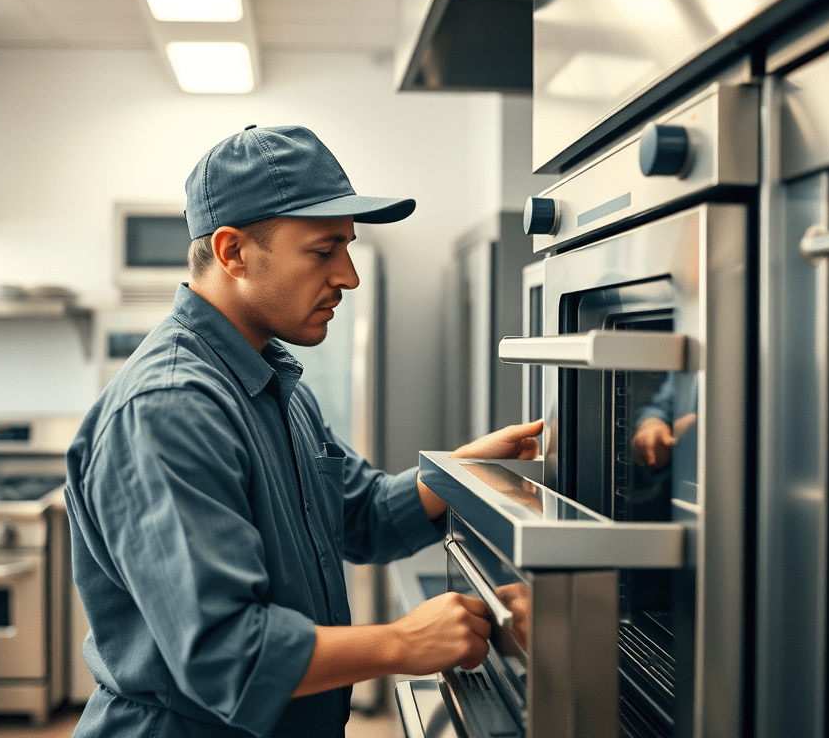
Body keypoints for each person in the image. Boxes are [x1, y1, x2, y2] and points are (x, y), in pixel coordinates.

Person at [64, 124, 542, 738]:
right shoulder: (172, 407)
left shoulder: (268, 379)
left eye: (348, 247)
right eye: (323, 251)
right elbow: (227, 653)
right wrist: (400, 642)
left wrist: (462, 470)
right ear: (233, 252)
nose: (349, 275)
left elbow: (361, 511)